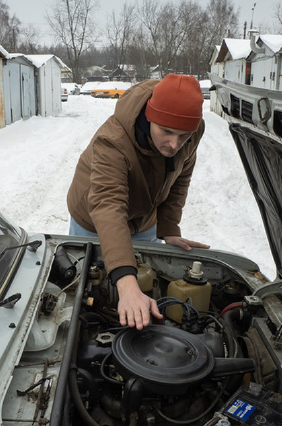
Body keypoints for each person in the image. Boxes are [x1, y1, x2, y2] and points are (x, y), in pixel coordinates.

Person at [67, 74, 210, 331]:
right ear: (149, 118)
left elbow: (180, 179)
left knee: (146, 277)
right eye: (166, 131)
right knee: (89, 283)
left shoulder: (193, 131)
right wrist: (125, 281)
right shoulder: (112, 140)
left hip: (144, 219)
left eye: (184, 136)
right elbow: (108, 205)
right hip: (93, 219)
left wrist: (168, 229)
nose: (175, 144)